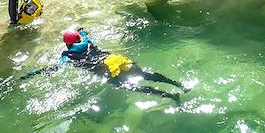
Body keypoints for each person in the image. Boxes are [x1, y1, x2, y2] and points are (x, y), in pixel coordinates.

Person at [22, 28, 189, 101]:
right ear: (78, 39)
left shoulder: (68, 55)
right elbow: (85, 34)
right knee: (145, 74)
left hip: (105, 69)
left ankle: (171, 96)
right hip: (115, 59)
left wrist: (32, 74)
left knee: (133, 87)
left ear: (66, 44)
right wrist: (81, 30)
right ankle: (178, 84)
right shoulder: (87, 42)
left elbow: (54, 68)